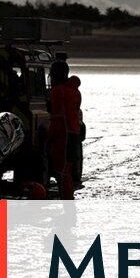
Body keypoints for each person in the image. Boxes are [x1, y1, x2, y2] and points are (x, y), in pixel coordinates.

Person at [47, 60, 81, 200]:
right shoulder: (75, 91)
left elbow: (57, 117)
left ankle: (67, 201)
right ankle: (68, 199)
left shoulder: (58, 91)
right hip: (74, 133)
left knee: (62, 172)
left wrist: (48, 138)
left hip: (64, 134)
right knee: (67, 169)